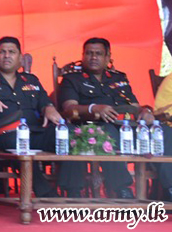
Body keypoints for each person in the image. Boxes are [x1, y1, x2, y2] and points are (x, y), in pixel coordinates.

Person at [59, 38, 172, 200]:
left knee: (165, 132)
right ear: (83, 56)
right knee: (107, 134)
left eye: (98, 54)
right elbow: (69, 108)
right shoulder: (72, 79)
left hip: (126, 125)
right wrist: (93, 108)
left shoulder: (118, 78)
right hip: (95, 125)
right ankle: (122, 189)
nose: (93, 57)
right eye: (89, 53)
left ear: (107, 57)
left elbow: (134, 105)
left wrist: (145, 111)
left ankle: (169, 188)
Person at [0, 36, 62, 197]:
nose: (7, 56)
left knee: (67, 136)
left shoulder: (31, 80)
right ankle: (46, 194)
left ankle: (71, 189)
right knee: (19, 144)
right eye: (2, 52)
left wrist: (48, 107)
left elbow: (44, 100)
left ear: (20, 57)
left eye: (11, 52)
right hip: (6, 136)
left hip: (36, 132)